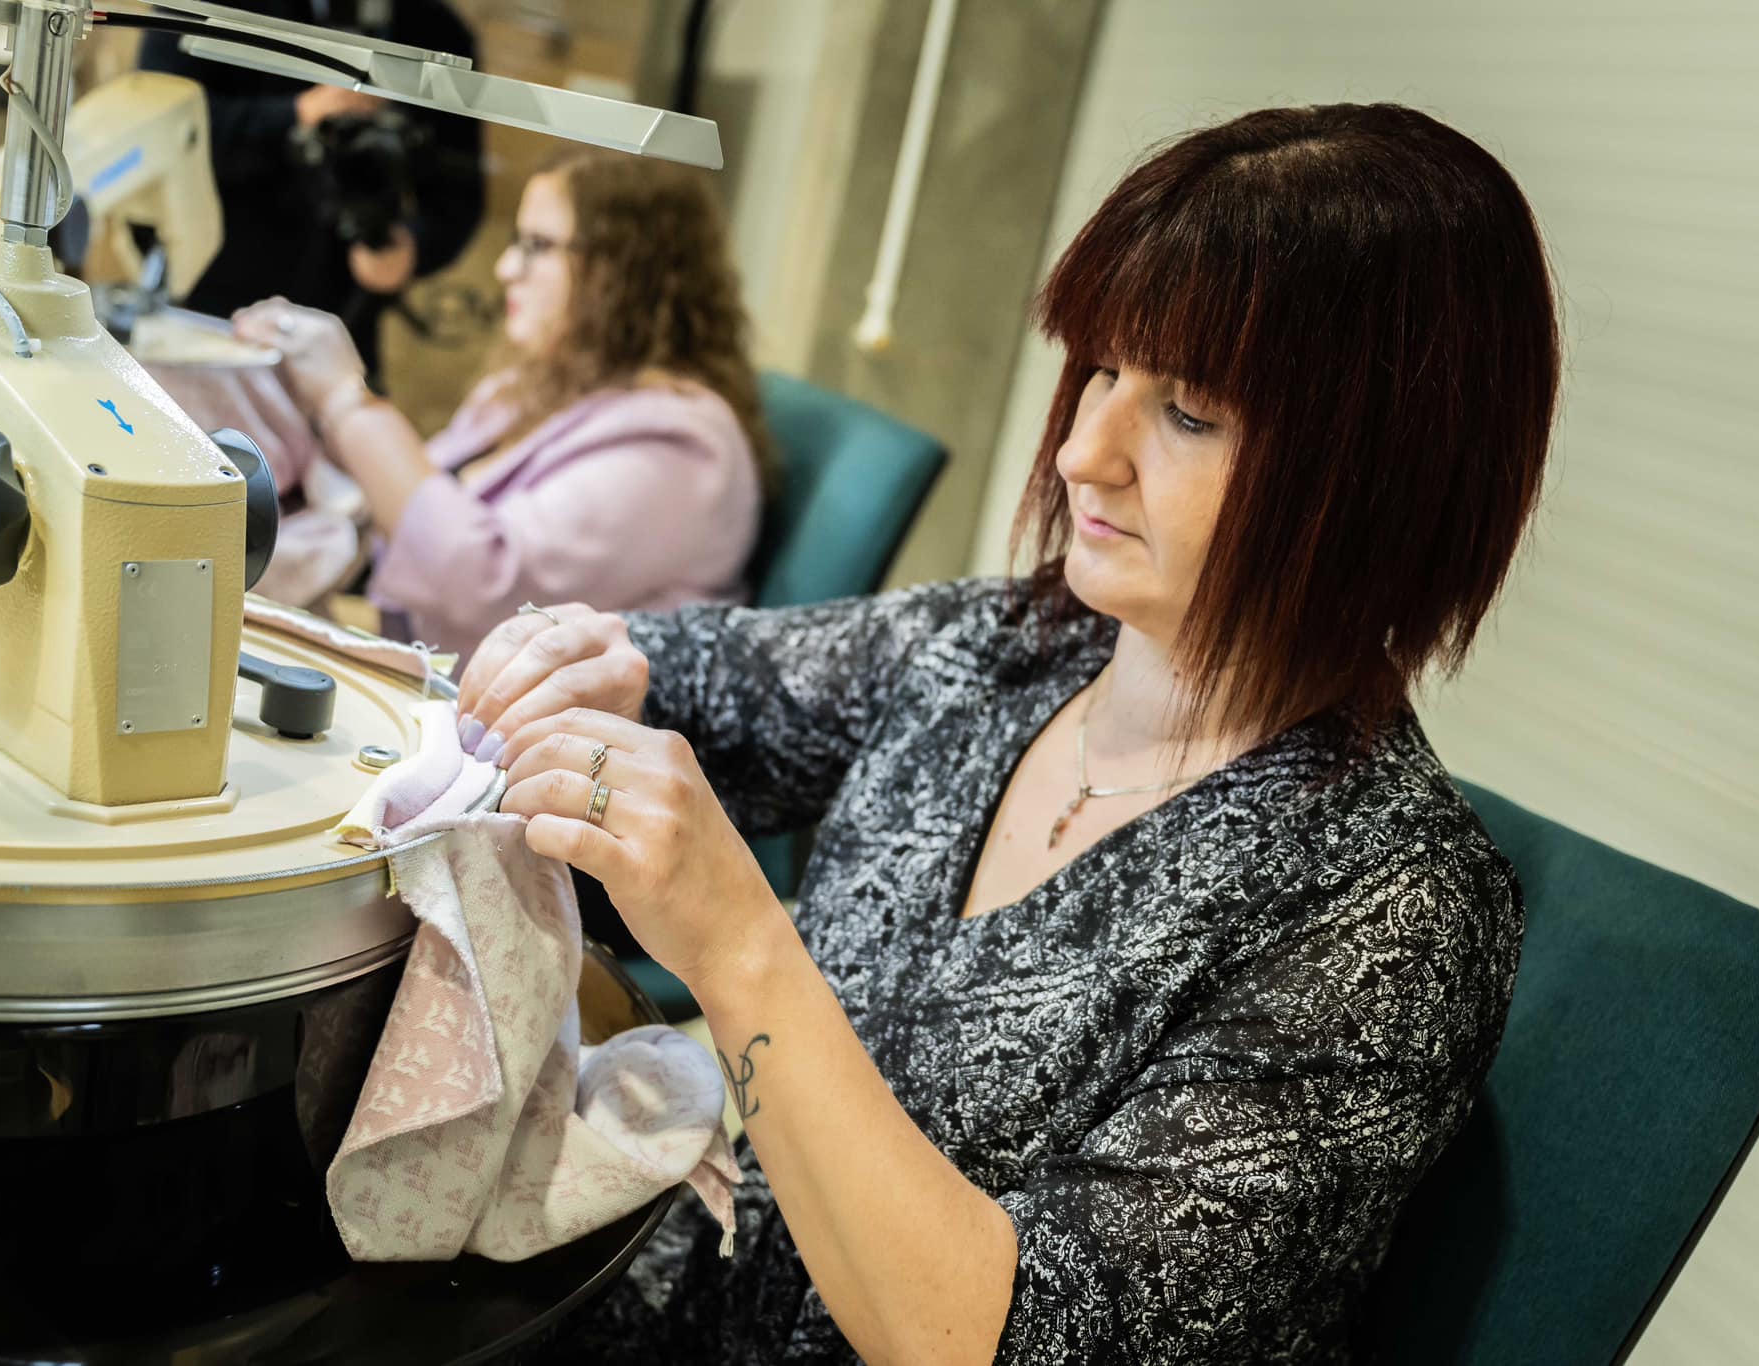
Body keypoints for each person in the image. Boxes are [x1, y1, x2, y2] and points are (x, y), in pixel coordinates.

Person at [451, 103, 1562, 1364]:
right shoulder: (1003, 647)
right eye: (1101, 370)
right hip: (665, 1290)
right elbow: (701, 682)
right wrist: (585, 658)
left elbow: (1015, 1339)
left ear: (1377, 478)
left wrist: (738, 943)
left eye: (1188, 411)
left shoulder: (1388, 910)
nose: (1085, 452)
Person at [233, 148, 769, 675]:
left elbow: (477, 580)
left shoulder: (679, 446)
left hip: (526, 723)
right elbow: (408, 503)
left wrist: (344, 398)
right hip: (435, 673)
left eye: (537, 246)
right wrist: (298, 416)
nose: (506, 267)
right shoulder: (538, 386)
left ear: (628, 269)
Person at [139, 0, 484, 373]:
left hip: (342, 322)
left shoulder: (436, 31)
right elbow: (155, 128)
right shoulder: (201, 4)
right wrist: (296, 115)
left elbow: (461, 187)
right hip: (211, 305)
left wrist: (414, 247)